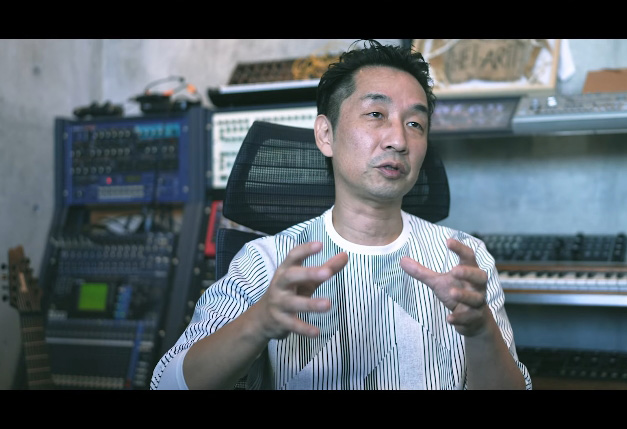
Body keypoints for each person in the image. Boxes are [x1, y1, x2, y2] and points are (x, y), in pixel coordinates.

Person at [151, 39, 532, 390]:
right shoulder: (265, 261)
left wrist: (481, 330)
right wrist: (259, 321)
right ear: (325, 135)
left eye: (415, 124)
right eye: (376, 114)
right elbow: (166, 384)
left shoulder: (465, 261)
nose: (398, 140)